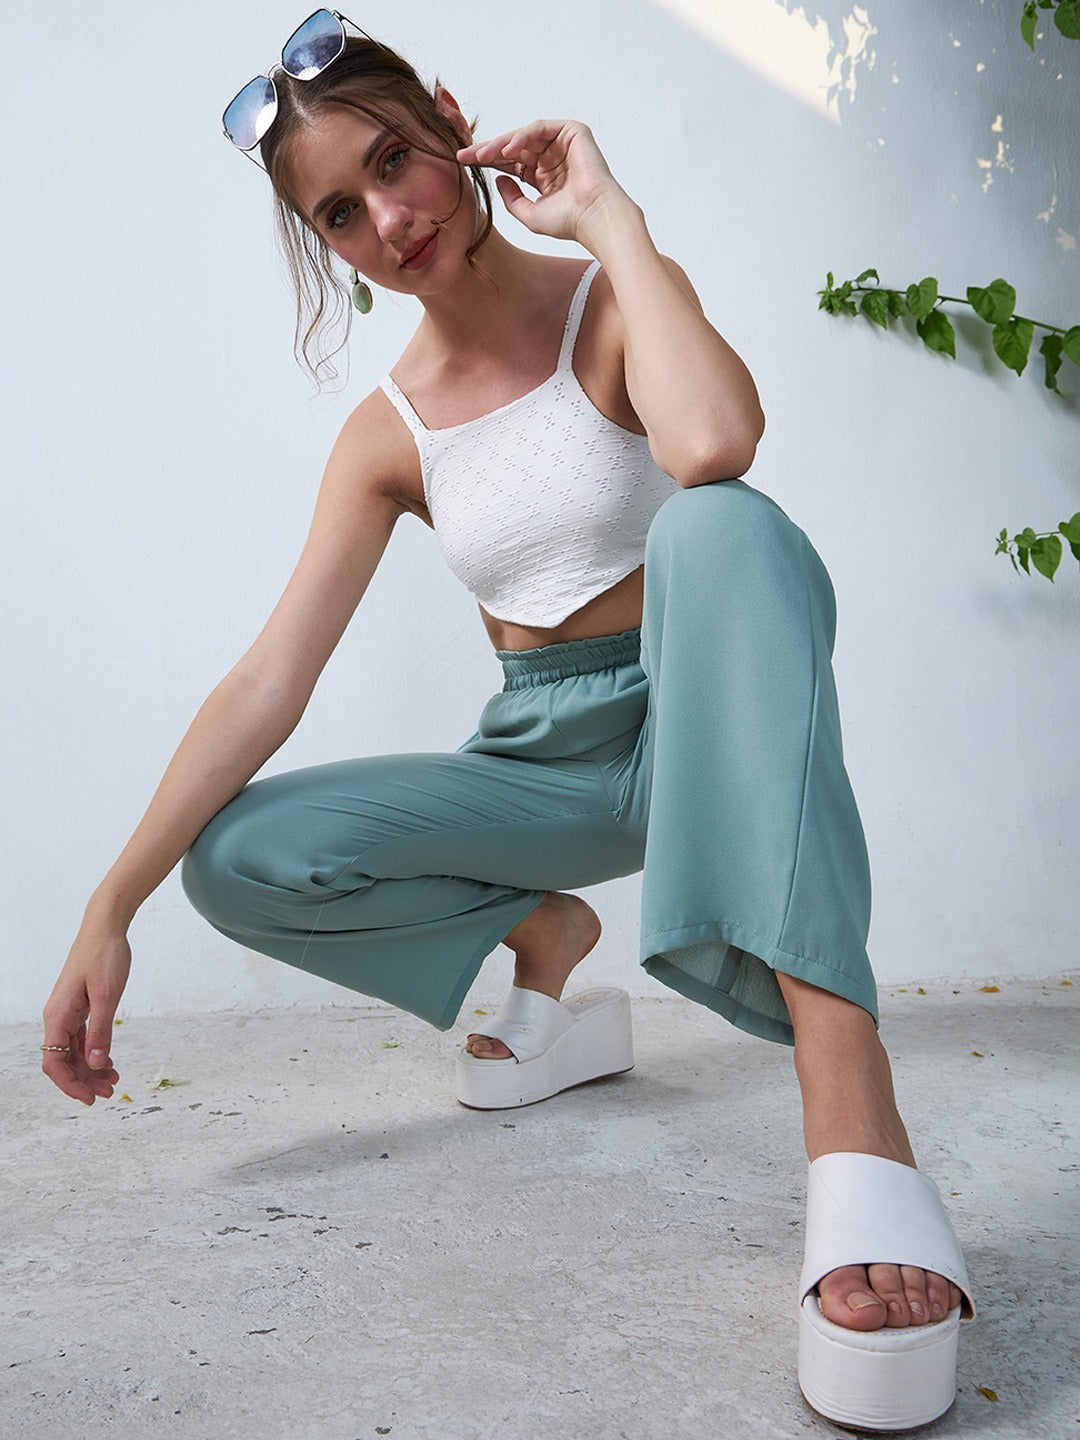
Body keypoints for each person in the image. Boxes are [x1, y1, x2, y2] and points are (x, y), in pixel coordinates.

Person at [40, 11, 972, 1430]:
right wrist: (111, 903)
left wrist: (612, 221)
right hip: (553, 768)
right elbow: (271, 678)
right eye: (338, 213)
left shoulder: (616, 297)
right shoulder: (388, 434)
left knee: (721, 526)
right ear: (326, 244)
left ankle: (851, 1099)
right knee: (233, 860)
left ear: (449, 120)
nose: (389, 220)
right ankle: (545, 934)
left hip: (719, 714)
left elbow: (716, 444)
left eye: (393, 162)